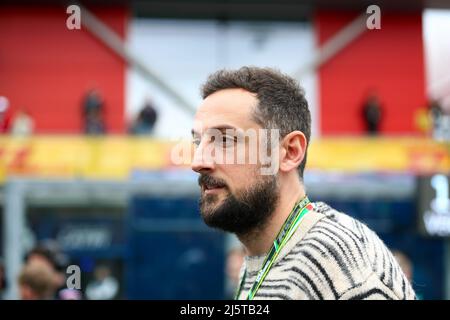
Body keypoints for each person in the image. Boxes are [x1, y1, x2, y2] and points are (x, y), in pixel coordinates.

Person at [191, 67, 416, 300]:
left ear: (289, 152)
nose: (198, 161)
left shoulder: (333, 257)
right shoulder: (257, 263)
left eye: (225, 139)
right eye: (198, 141)